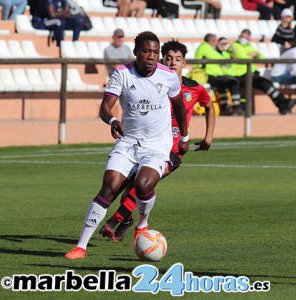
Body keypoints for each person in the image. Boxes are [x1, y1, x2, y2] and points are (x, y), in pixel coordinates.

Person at [64, 31, 189, 259]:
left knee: (143, 185)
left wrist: (184, 138)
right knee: (109, 187)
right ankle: (80, 246)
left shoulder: (168, 76)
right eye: (146, 51)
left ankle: (142, 223)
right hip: (128, 142)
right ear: (136, 52)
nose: (151, 56)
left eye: (155, 52)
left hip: (157, 145)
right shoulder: (122, 74)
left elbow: (180, 107)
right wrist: (112, 120)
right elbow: (104, 107)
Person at [99, 39, 216, 242]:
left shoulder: (195, 88)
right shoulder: (156, 82)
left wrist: (208, 137)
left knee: (143, 185)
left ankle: (115, 219)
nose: (172, 62)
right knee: (127, 185)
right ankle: (126, 220)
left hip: (174, 148)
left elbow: (210, 106)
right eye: (169, 58)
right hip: (146, 143)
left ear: (184, 63)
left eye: (178, 59)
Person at [229, 29, 295, 115]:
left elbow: (261, 57)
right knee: (263, 83)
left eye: (246, 37)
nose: (243, 38)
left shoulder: (249, 46)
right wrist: (253, 55)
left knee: (266, 84)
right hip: (239, 74)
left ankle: (282, 104)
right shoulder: (234, 46)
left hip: (251, 74)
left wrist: (255, 54)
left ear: (249, 38)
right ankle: (283, 103)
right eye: (242, 36)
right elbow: (242, 57)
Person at [194, 33, 243, 115]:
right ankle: (236, 108)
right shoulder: (205, 47)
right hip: (205, 75)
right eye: (216, 41)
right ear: (212, 41)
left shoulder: (207, 48)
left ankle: (225, 108)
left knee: (224, 83)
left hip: (211, 75)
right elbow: (219, 58)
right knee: (233, 82)